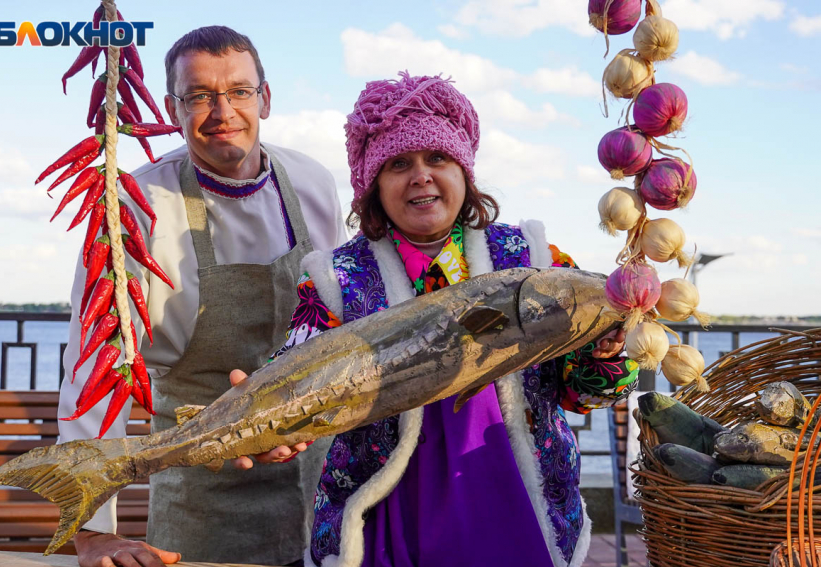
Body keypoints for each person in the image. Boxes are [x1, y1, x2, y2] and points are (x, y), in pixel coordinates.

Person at [268, 72, 639, 567]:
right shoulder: (336, 280)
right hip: (388, 513)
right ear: (374, 185)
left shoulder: (538, 261)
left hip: (515, 505)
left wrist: (608, 350)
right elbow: (302, 375)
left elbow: (584, 393)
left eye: (437, 158)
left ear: (464, 172)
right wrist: (274, 419)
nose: (421, 176)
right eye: (398, 164)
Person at [57, 26, 346, 567]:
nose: (222, 110)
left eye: (239, 91)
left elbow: (342, 324)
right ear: (171, 106)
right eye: (199, 96)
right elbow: (91, 373)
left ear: (266, 97)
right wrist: (93, 531)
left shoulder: (312, 182)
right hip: (199, 503)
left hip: (321, 491)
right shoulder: (134, 205)